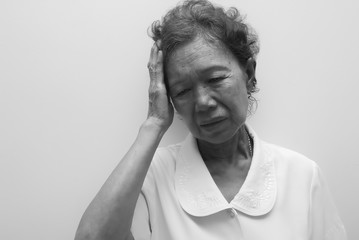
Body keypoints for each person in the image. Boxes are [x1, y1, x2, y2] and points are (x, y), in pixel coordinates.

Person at [74, 0, 347, 239]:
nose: (203, 102)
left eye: (215, 79)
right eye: (182, 91)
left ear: (249, 73)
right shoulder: (149, 177)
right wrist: (154, 124)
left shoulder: (301, 176)